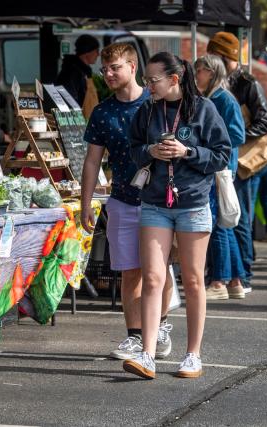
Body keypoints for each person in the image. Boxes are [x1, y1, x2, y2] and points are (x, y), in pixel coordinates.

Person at [126, 52, 231, 379]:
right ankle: (147, 354)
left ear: (174, 79)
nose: (148, 86)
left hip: (193, 205)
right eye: (145, 80)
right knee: (153, 277)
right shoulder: (147, 110)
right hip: (156, 203)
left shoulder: (204, 109)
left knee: (195, 280)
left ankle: (193, 355)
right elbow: (132, 150)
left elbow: (222, 154)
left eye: (152, 80)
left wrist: (188, 152)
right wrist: (150, 152)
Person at [80, 43, 174, 361]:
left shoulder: (158, 102)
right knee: (130, 271)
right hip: (122, 199)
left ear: (133, 67)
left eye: (115, 67)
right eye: (104, 69)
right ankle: (135, 336)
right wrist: (85, 203)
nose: (107, 74)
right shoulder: (103, 112)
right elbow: (92, 162)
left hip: (161, 200)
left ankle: (159, 326)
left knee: (160, 270)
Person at [207, 31, 267, 293]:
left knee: (238, 218)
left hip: (244, 161)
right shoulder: (217, 83)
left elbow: (265, 121)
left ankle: (243, 276)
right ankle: (233, 276)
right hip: (228, 159)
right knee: (229, 219)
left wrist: (239, 135)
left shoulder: (247, 83)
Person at [193, 54, 246, 301]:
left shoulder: (223, 99)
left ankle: (219, 281)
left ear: (212, 72)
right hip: (217, 168)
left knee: (217, 225)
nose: (196, 75)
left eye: (199, 70)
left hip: (220, 169)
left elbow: (237, 134)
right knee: (223, 224)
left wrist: (212, 142)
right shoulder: (212, 98)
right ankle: (235, 280)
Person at [55, 34, 100, 119]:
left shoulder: (85, 71)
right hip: (78, 122)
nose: (98, 54)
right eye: (96, 51)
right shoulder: (71, 72)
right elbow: (69, 100)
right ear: (87, 52)